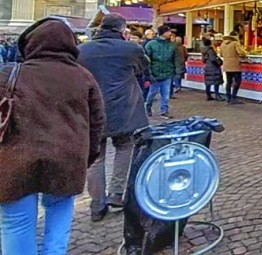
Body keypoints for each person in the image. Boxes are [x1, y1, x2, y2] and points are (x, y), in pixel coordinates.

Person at [0, 18, 105, 255]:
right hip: (66, 160)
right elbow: (97, 124)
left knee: (16, 224)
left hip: (15, 162)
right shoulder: (83, 76)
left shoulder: (10, 73)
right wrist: (86, 158)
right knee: (58, 225)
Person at [77, 14, 149, 222]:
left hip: (92, 108)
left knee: (96, 157)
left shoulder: (82, 50)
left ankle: (97, 204)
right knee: (125, 148)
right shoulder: (130, 49)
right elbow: (143, 67)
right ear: (122, 30)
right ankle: (116, 194)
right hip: (124, 108)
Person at [144, 25, 181, 119]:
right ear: (163, 33)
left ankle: (164, 111)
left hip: (168, 72)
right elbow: (147, 60)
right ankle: (147, 106)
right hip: (155, 73)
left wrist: (177, 71)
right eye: (168, 31)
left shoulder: (173, 45)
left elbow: (176, 59)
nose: (170, 33)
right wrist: (148, 73)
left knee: (166, 94)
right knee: (152, 92)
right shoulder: (151, 44)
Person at [220, 31, 247, 105]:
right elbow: (241, 52)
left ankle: (228, 97)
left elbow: (221, 54)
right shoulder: (235, 43)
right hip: (235, 65)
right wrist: (245, 54)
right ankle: (233, 97)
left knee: (228, 82)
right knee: (237, 81)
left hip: (226, 65)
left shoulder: (222, 44)